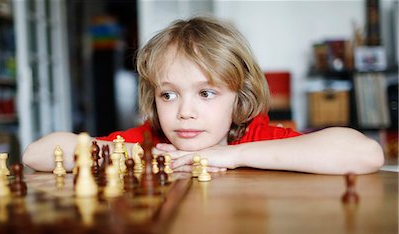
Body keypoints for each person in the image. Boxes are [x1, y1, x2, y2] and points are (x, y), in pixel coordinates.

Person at [23, 16, 384, 175]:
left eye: (206, 93)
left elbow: (365, 153)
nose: (185, 113)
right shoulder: (150, 143)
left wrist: (230, 156)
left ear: (238, 96)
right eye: (168, 95)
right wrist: (134, 154)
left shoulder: (255, 139)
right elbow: (36, 153)